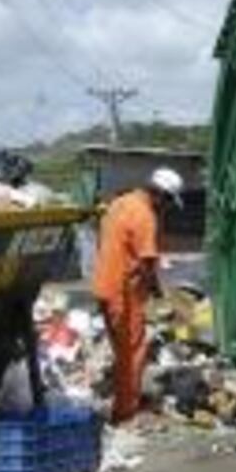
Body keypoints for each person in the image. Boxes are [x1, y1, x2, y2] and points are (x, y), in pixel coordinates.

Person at [92, 167, 185, 424]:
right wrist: (157, 292)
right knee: (133, 352)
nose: (166, 208)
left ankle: (125, 399)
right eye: (167, 202)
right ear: (161, 195)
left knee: (121, 350)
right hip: (123, 292)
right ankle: (125, 412)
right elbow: (146, 263)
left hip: (103, 284)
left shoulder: (121, 202)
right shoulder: (145, 216)